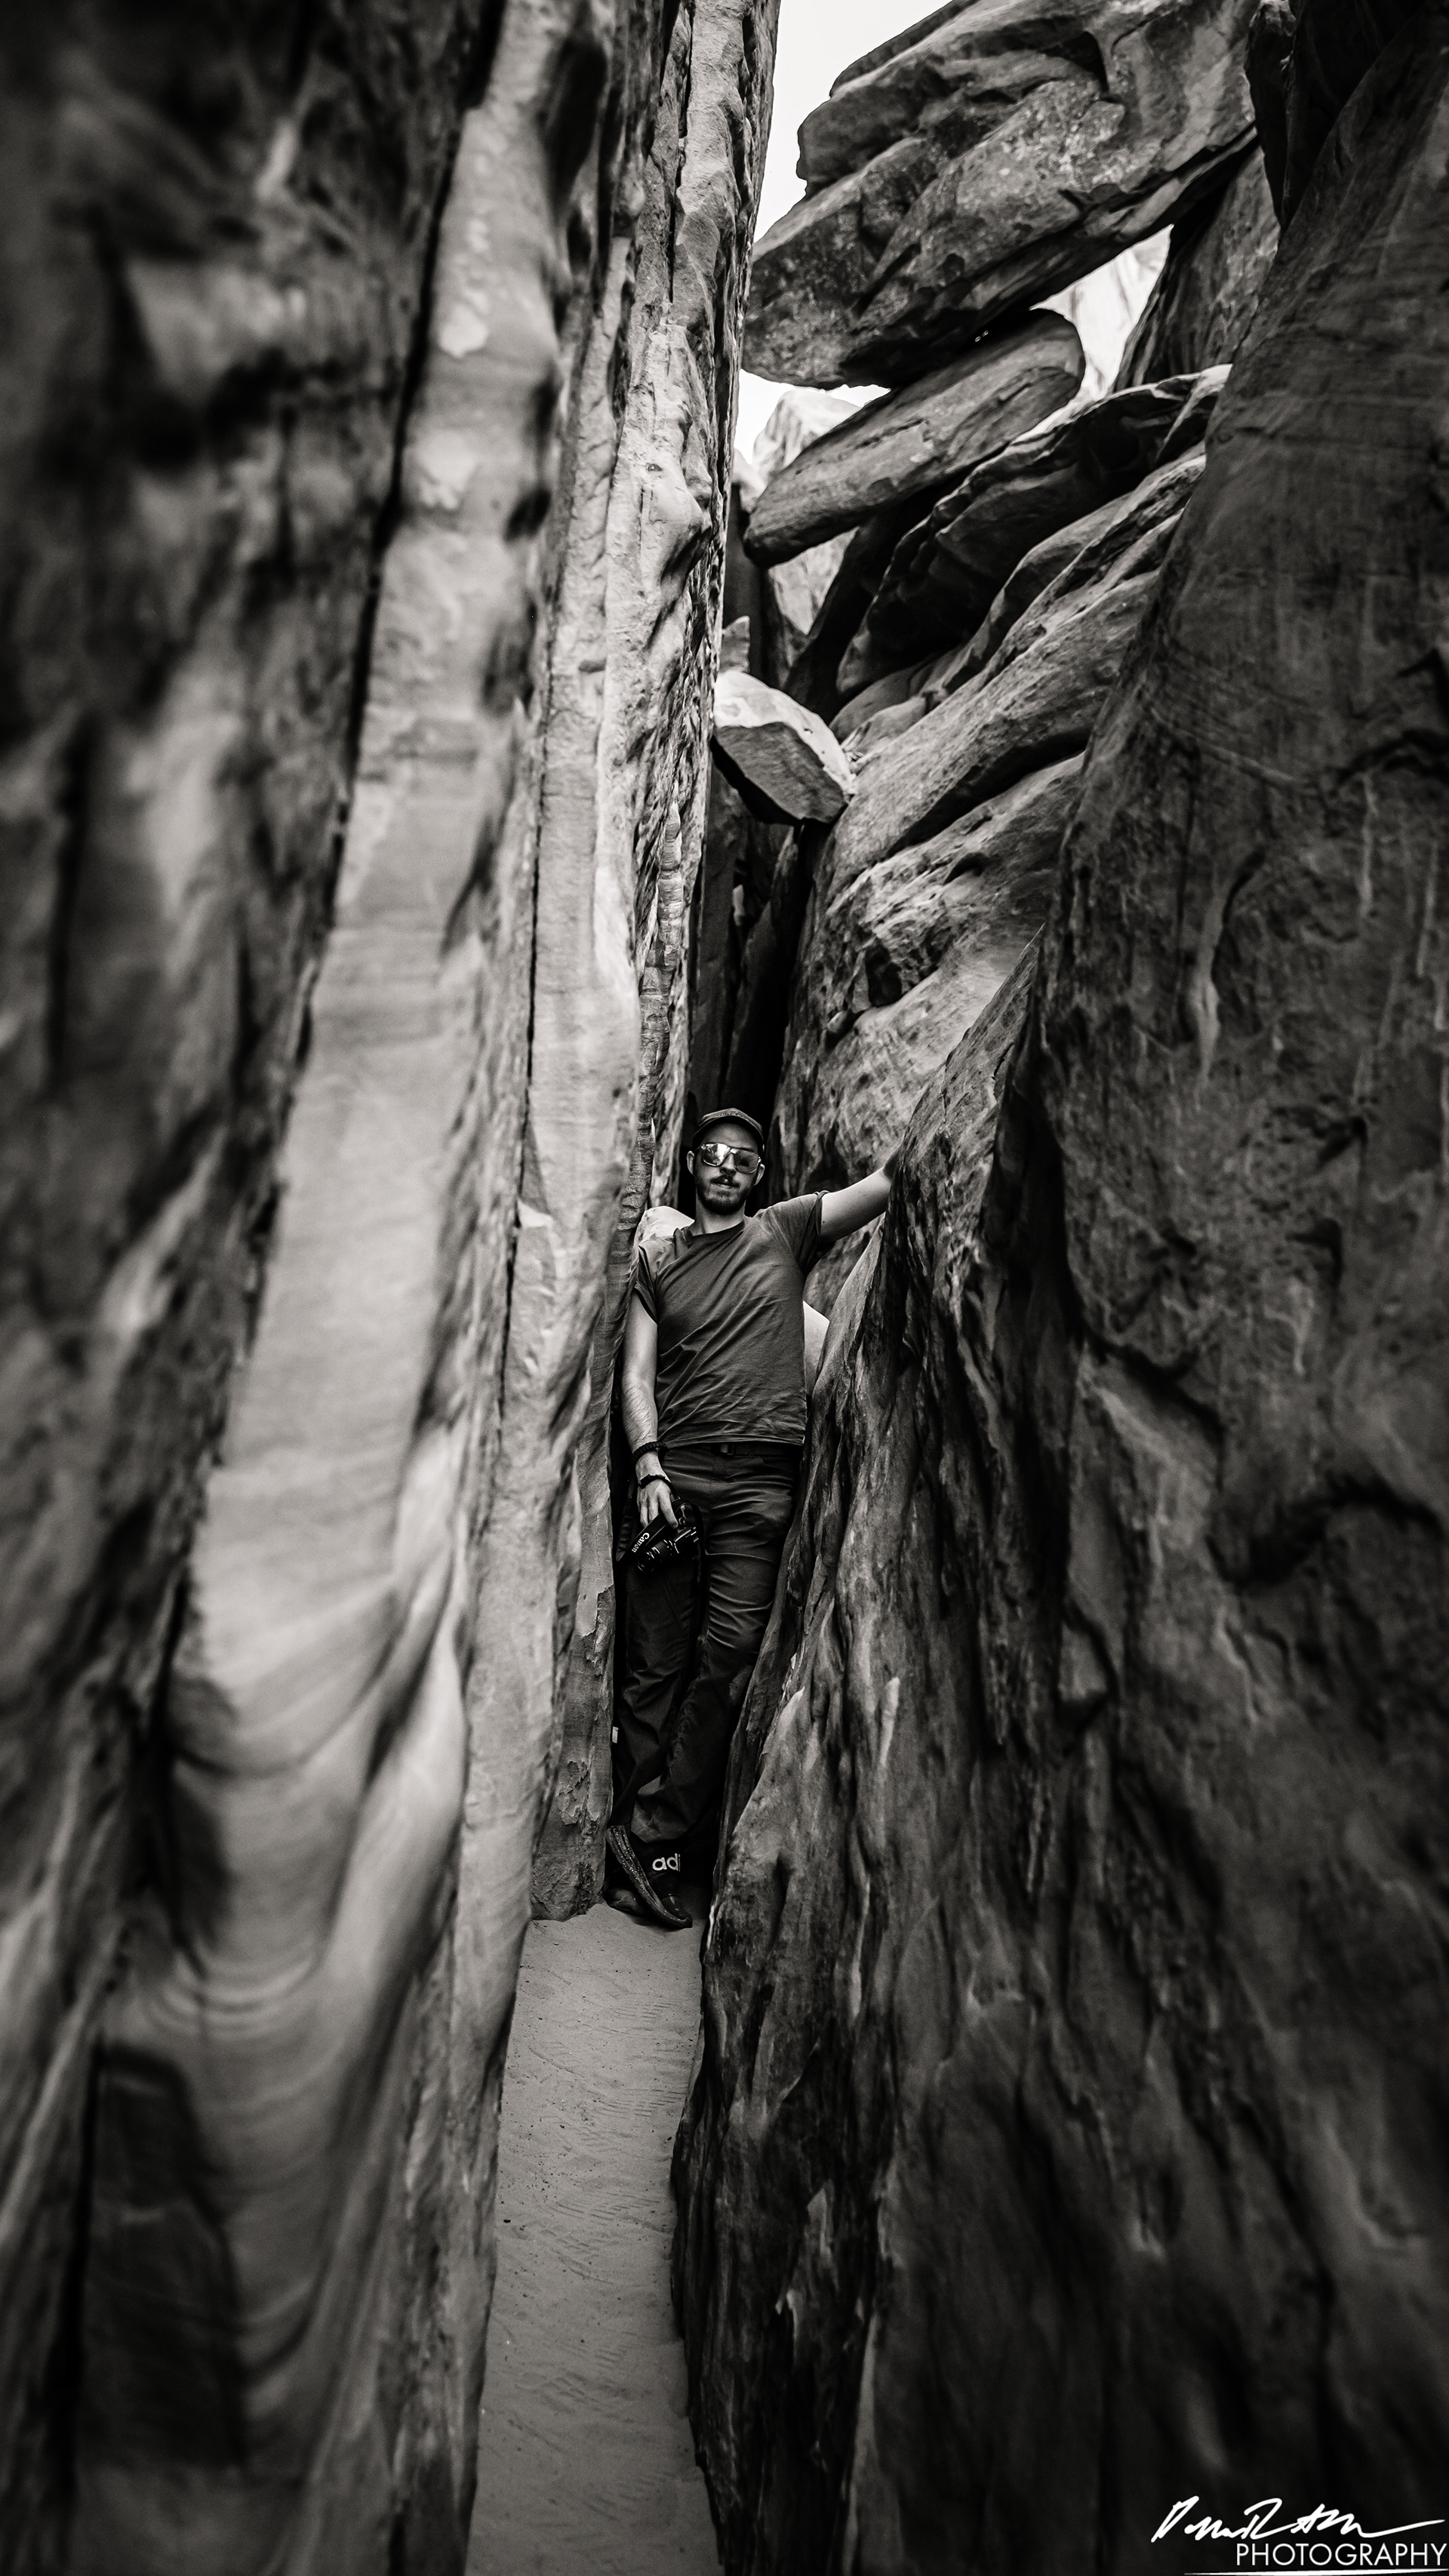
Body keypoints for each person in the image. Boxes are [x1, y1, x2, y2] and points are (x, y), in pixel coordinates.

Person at [606, 1106, 897, 1928]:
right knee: (654, 1663)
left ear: (760, 1173)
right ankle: (635, 1838)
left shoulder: (786, 1229)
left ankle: (655, 1832)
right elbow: (635, 1372)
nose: (728, 1165)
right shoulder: (660, 1263)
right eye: (714, 1153)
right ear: (692, 1164)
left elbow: (881, 1187)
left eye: (744, 1156)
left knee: (729, 1656)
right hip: (677, 1478)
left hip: (761, 1486)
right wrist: (648, 1463)